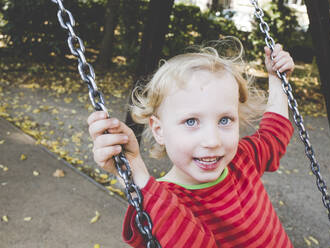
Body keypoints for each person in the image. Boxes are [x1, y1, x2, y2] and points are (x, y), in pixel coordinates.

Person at [87, 38, 295, 247]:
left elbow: (274, 133)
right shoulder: (161, 203)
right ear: (159, 130)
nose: (212, 141)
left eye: (225, 120)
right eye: (191, 121)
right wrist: (136, 174)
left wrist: (277, 80)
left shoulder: (243, 159)